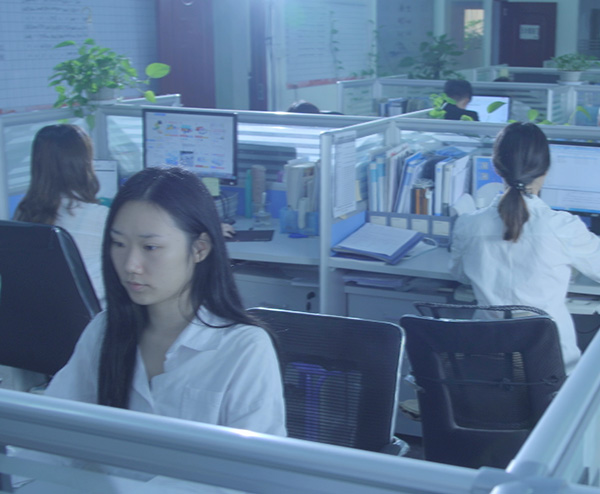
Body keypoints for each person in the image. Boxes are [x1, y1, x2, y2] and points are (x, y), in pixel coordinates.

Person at [44, 166, 286, 437]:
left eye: (150, 247)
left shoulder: (244, 348)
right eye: (119, 244)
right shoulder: (104, 330)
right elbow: (51, 430)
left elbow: (257, 461)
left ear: (199, 249)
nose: (130, 265)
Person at [450, 122, 600, 373]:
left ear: (496, 167)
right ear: (546, 169)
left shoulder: (468, 224)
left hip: (485, 366)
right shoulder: (562, 226)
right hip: (550, 368)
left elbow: (461, 275)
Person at [13, 124, 109, 304]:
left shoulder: (23, 213)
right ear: (84, 164)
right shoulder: (101, 217)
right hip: (89, 319)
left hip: (35, 316)